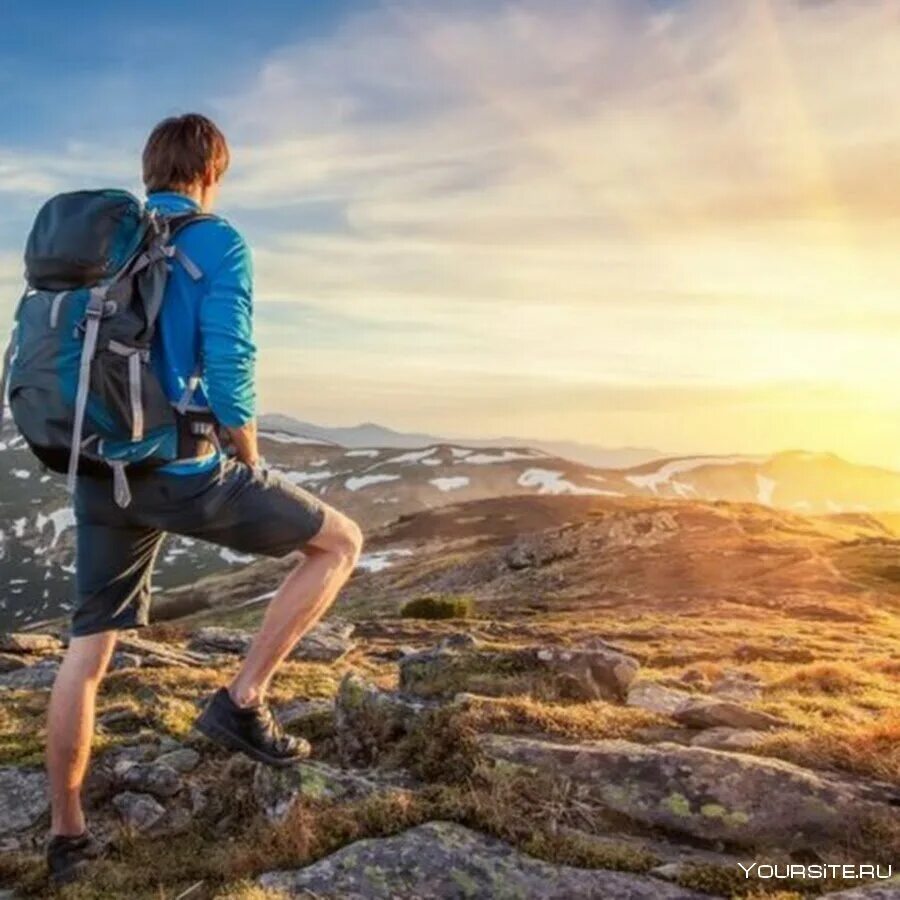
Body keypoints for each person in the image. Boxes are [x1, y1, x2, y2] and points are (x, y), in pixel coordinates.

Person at [44, 113, 364, 883]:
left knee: (85, 656)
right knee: (340, 542)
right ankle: (242, 700)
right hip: (179, 472)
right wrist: (246, 460)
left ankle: (66, 837)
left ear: (150, 169)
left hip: (96, 471)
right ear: (213, 171)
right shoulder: (216, 243)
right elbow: (230, 369)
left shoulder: (100, 251)